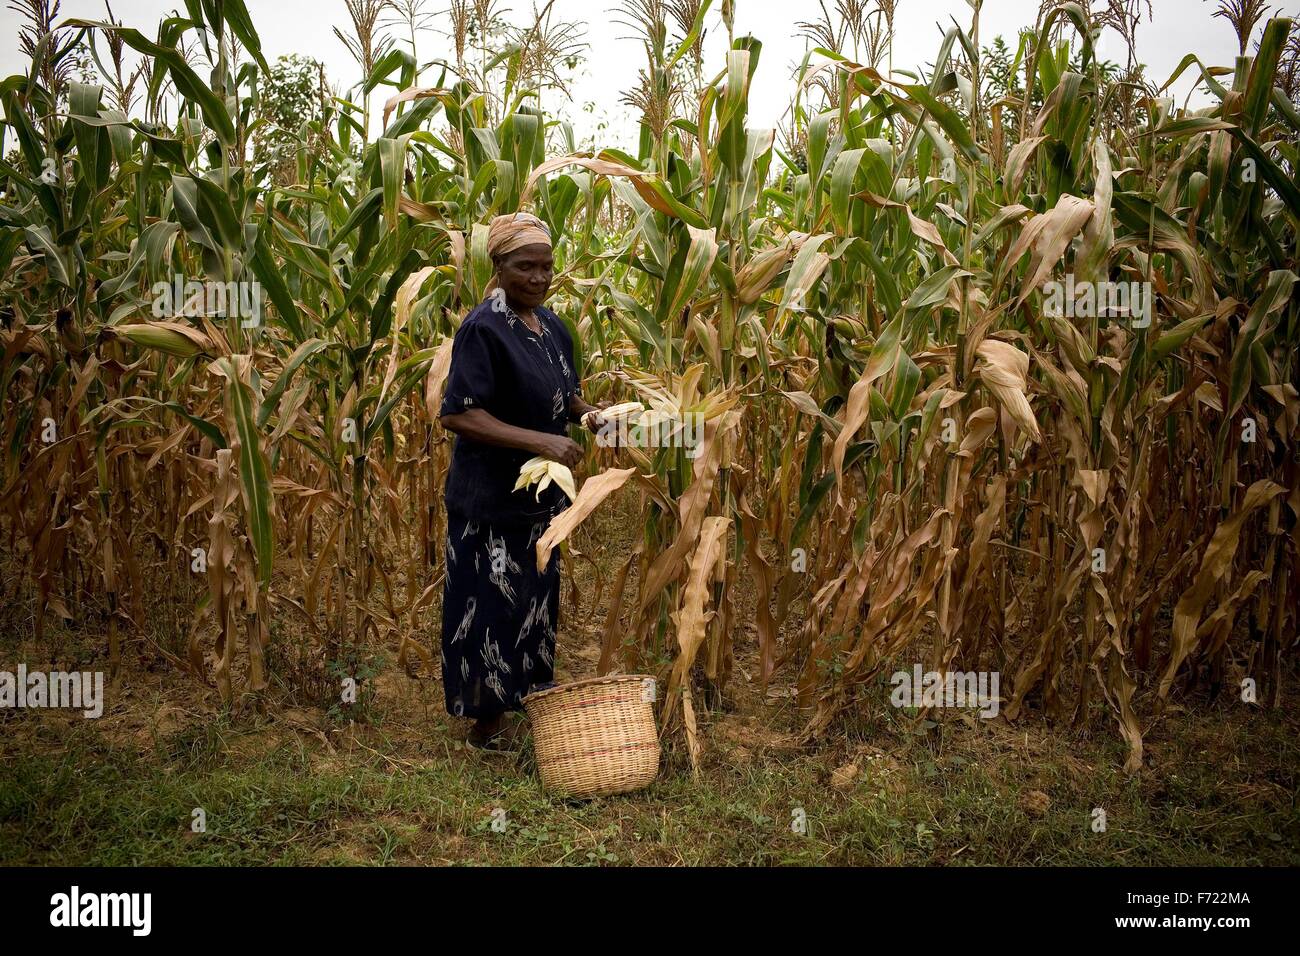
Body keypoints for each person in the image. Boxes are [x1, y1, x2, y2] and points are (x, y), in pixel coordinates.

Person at [437, 211, 607, 749]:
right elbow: (458, 413)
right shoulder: (482, 328)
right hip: (488, 499)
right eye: (524, 266)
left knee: (535, 597)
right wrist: (540, 441)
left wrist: (589, 415)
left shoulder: (553, 328)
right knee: (488, 603)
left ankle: (531, 699)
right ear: (499, 266)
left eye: (546, 267)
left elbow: (564, 393)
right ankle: (485, 723)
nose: (537, 277)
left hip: (540, 498)